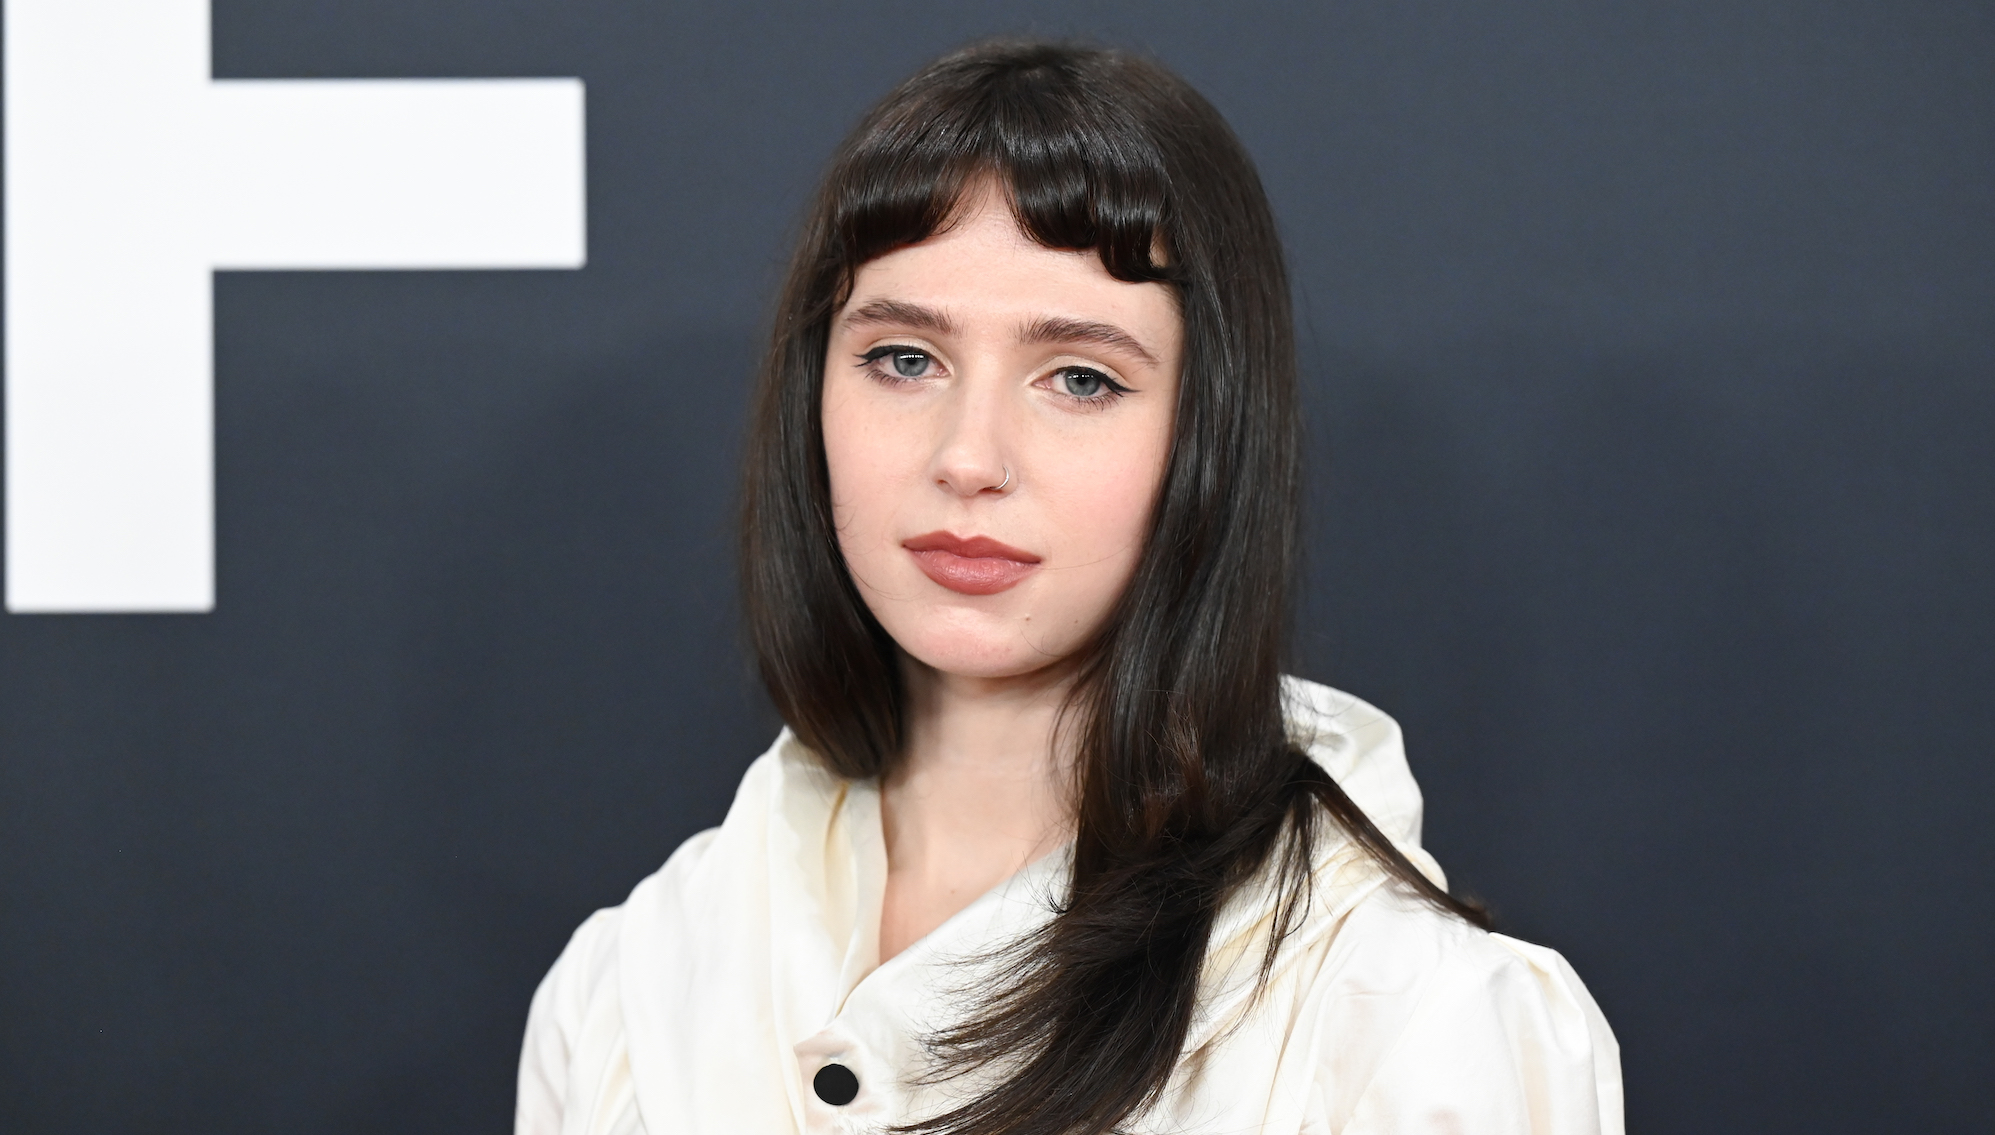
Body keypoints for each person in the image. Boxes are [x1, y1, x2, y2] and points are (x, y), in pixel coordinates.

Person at [516, 39, 1622, 1135]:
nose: (968, 457)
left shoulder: (1414, 1023)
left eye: (1080, 378)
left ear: (1208, 431)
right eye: (904, 359)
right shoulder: (624, 992)